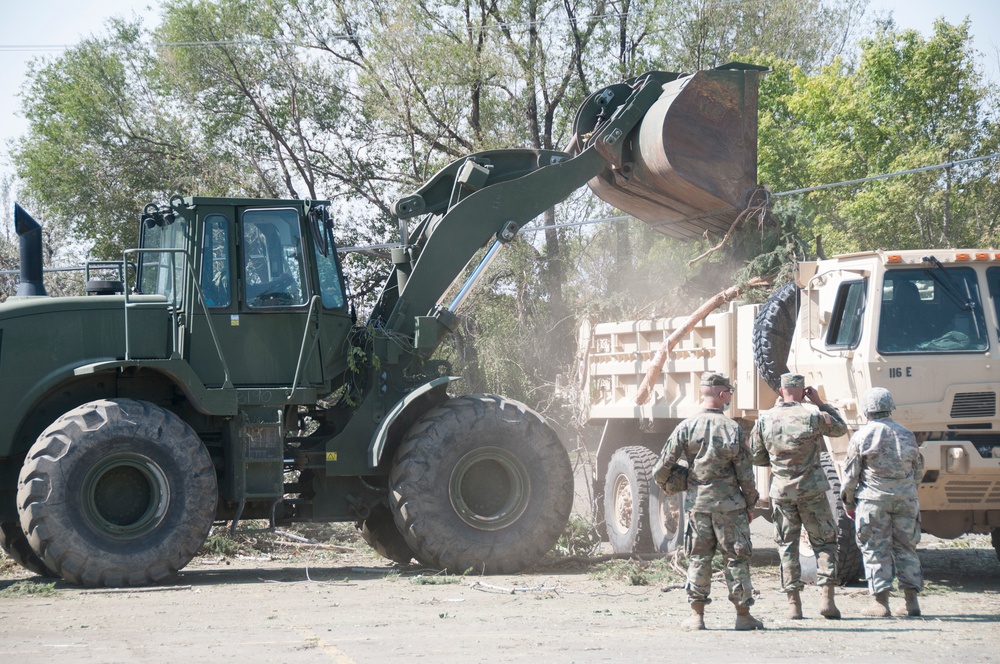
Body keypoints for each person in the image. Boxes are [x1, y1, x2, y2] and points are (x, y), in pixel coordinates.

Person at [654, 372, 763, 631]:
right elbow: (746, 474)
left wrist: (669, 486)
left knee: (699, 559)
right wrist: (750, 505)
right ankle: (743, 616)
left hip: (698, 507)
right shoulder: (733, 429)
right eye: (729, 395)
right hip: (731, 508)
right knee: (736, 559)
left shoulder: (686, 427)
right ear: (722, 394)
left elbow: (661, 467)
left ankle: (696, 617)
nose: (730, 399)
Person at [750, 373, 848, 620]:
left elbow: (756, 456)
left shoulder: (765, 419)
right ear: (803, 390)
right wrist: (820, 403)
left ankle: (794, 603)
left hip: (781, 491)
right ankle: (827, 599)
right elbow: (840, 428)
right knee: (824, 542)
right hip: (812, 489)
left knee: (787, 545)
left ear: (781, 391)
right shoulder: (813, 416)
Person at [841, 387, 924, 618]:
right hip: (905, 500)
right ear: (890, 408)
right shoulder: (907, 434)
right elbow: (917, 469)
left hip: (873, 501)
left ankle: (880, 603)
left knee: (875, 549)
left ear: (867, 410)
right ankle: (911, 602)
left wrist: (848, 503)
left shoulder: (862, 436)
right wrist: (907, 491)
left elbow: (850, 476)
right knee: (906, 548)